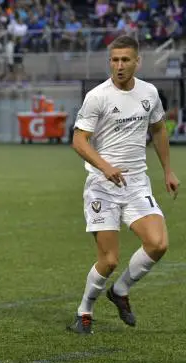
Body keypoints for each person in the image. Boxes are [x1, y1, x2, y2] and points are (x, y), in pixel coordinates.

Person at [68, 35, 180, 334]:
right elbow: (79, 140)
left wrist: (168, 170)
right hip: (101, 186)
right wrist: (105, 167)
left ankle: (119, 291)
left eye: (125, 60)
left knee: (158, 244)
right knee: (109, 260)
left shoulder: (149, 93)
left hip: (136, 184)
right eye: (114, 60)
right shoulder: (98, 96)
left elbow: (158, 130)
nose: (119, 66)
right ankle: (85, 311)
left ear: (137, 61)